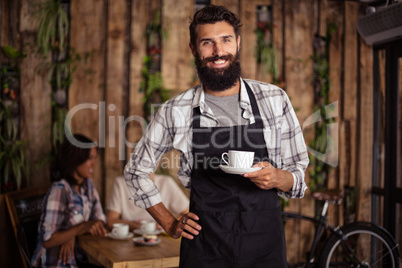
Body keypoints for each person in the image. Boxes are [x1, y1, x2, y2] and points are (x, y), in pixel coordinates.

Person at [124, 5, 309, 267]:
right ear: (193, 49)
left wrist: (280, 178)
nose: (218, 51)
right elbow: (135, 172)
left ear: (238, 43)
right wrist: (169, 223)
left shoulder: (274, 99)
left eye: (225, 40)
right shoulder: (176, 110)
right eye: (207, 42)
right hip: (205, 246)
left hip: (263, 246)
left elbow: (298, 178)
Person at [31, 134, 107, 267]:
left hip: (76, 261)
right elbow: (48, 239)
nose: (94, 164)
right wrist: (80, 228)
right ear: (75, 159)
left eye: (94, 158)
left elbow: (100, 220)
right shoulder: (60, 191)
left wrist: (71, 235)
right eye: (89, 158)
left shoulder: (87, 185)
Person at [106, 173, 189, 231]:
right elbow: (111, 221)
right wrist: (136, 226)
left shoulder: (166, 182)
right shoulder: (121, 183)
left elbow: (188, 212)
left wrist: (170, 225)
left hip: (160, 240)